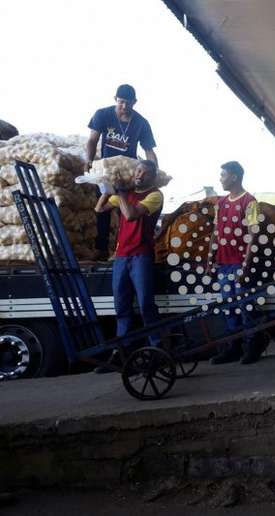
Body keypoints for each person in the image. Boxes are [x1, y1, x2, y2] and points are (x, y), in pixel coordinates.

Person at [94, 160, 163, 368]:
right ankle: (121, 352)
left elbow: (131, 215)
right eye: (138, 170)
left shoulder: (155, 196)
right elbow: (99, 209)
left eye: (145, 172)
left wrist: (122, 194)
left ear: (152, 176)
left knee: (145, 305)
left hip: (141, 256)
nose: (139, 174)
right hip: (121, 257)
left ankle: (157, 349)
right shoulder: (126, 194)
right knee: (121, 307)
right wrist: (106, 188)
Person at [86, 84, 158, 261]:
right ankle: (101, 248)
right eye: (121, 102)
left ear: (135, 102)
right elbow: (92, 141)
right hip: (106, 171)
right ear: (115, 100)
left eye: (128, 103)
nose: (124, 107)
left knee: (125, 210)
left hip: (129, 174)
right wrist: (88, 161)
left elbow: (149, 150)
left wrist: (154, 173)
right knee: (102, 209)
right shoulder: (102, 114)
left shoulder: (141, 123)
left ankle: (121, 249)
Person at [208, 161, 263, 365]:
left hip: (239, 264)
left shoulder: (250, 202)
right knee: (229, 307)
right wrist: (210, 260)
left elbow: (253, 236)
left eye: (223, 175)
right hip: (223, 264)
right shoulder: (220, 203)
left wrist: (245, 266)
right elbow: (215, 233)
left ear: (234, 177)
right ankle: (234, 347)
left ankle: (253, 345)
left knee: (245, 307)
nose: (220, 178)